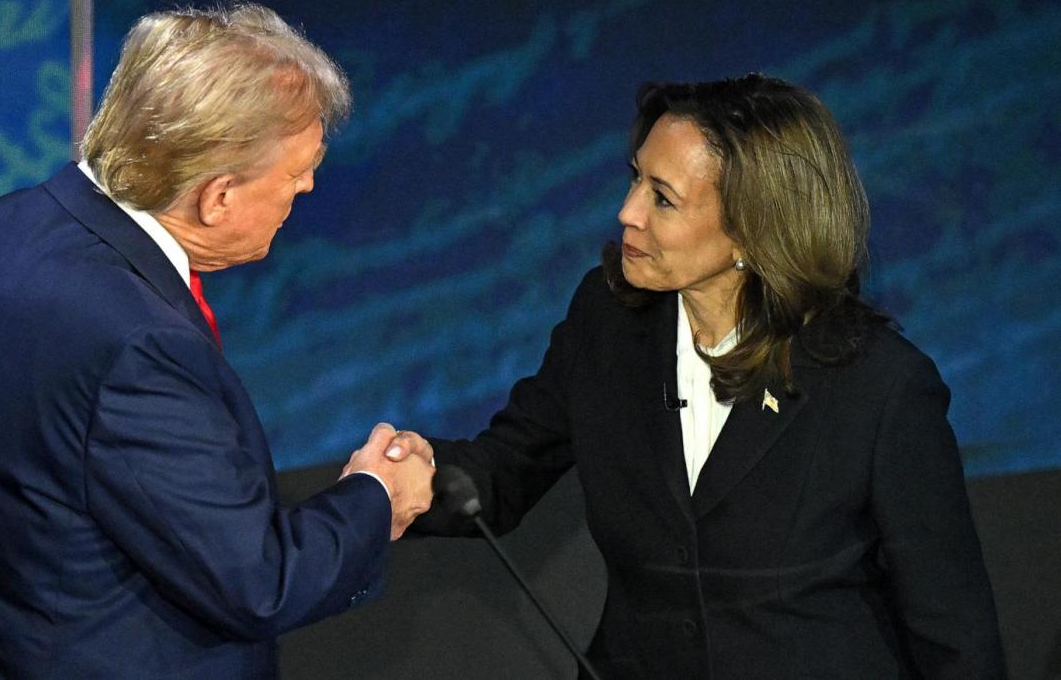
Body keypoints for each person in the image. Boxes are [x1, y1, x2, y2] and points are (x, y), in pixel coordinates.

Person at [385, 74, 1005, 678]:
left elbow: (953, 632)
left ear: (752, 228)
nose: (627, 212)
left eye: (663, 197)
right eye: (635, 180)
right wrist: (406, 477)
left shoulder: (880, 386)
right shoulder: (606, 321)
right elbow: (506, 468)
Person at [0, 2, 433, 678]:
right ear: (219, 196)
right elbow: (258, 581)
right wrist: (375, 495)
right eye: (295, 175)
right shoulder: (138, 344)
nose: (308, 184)